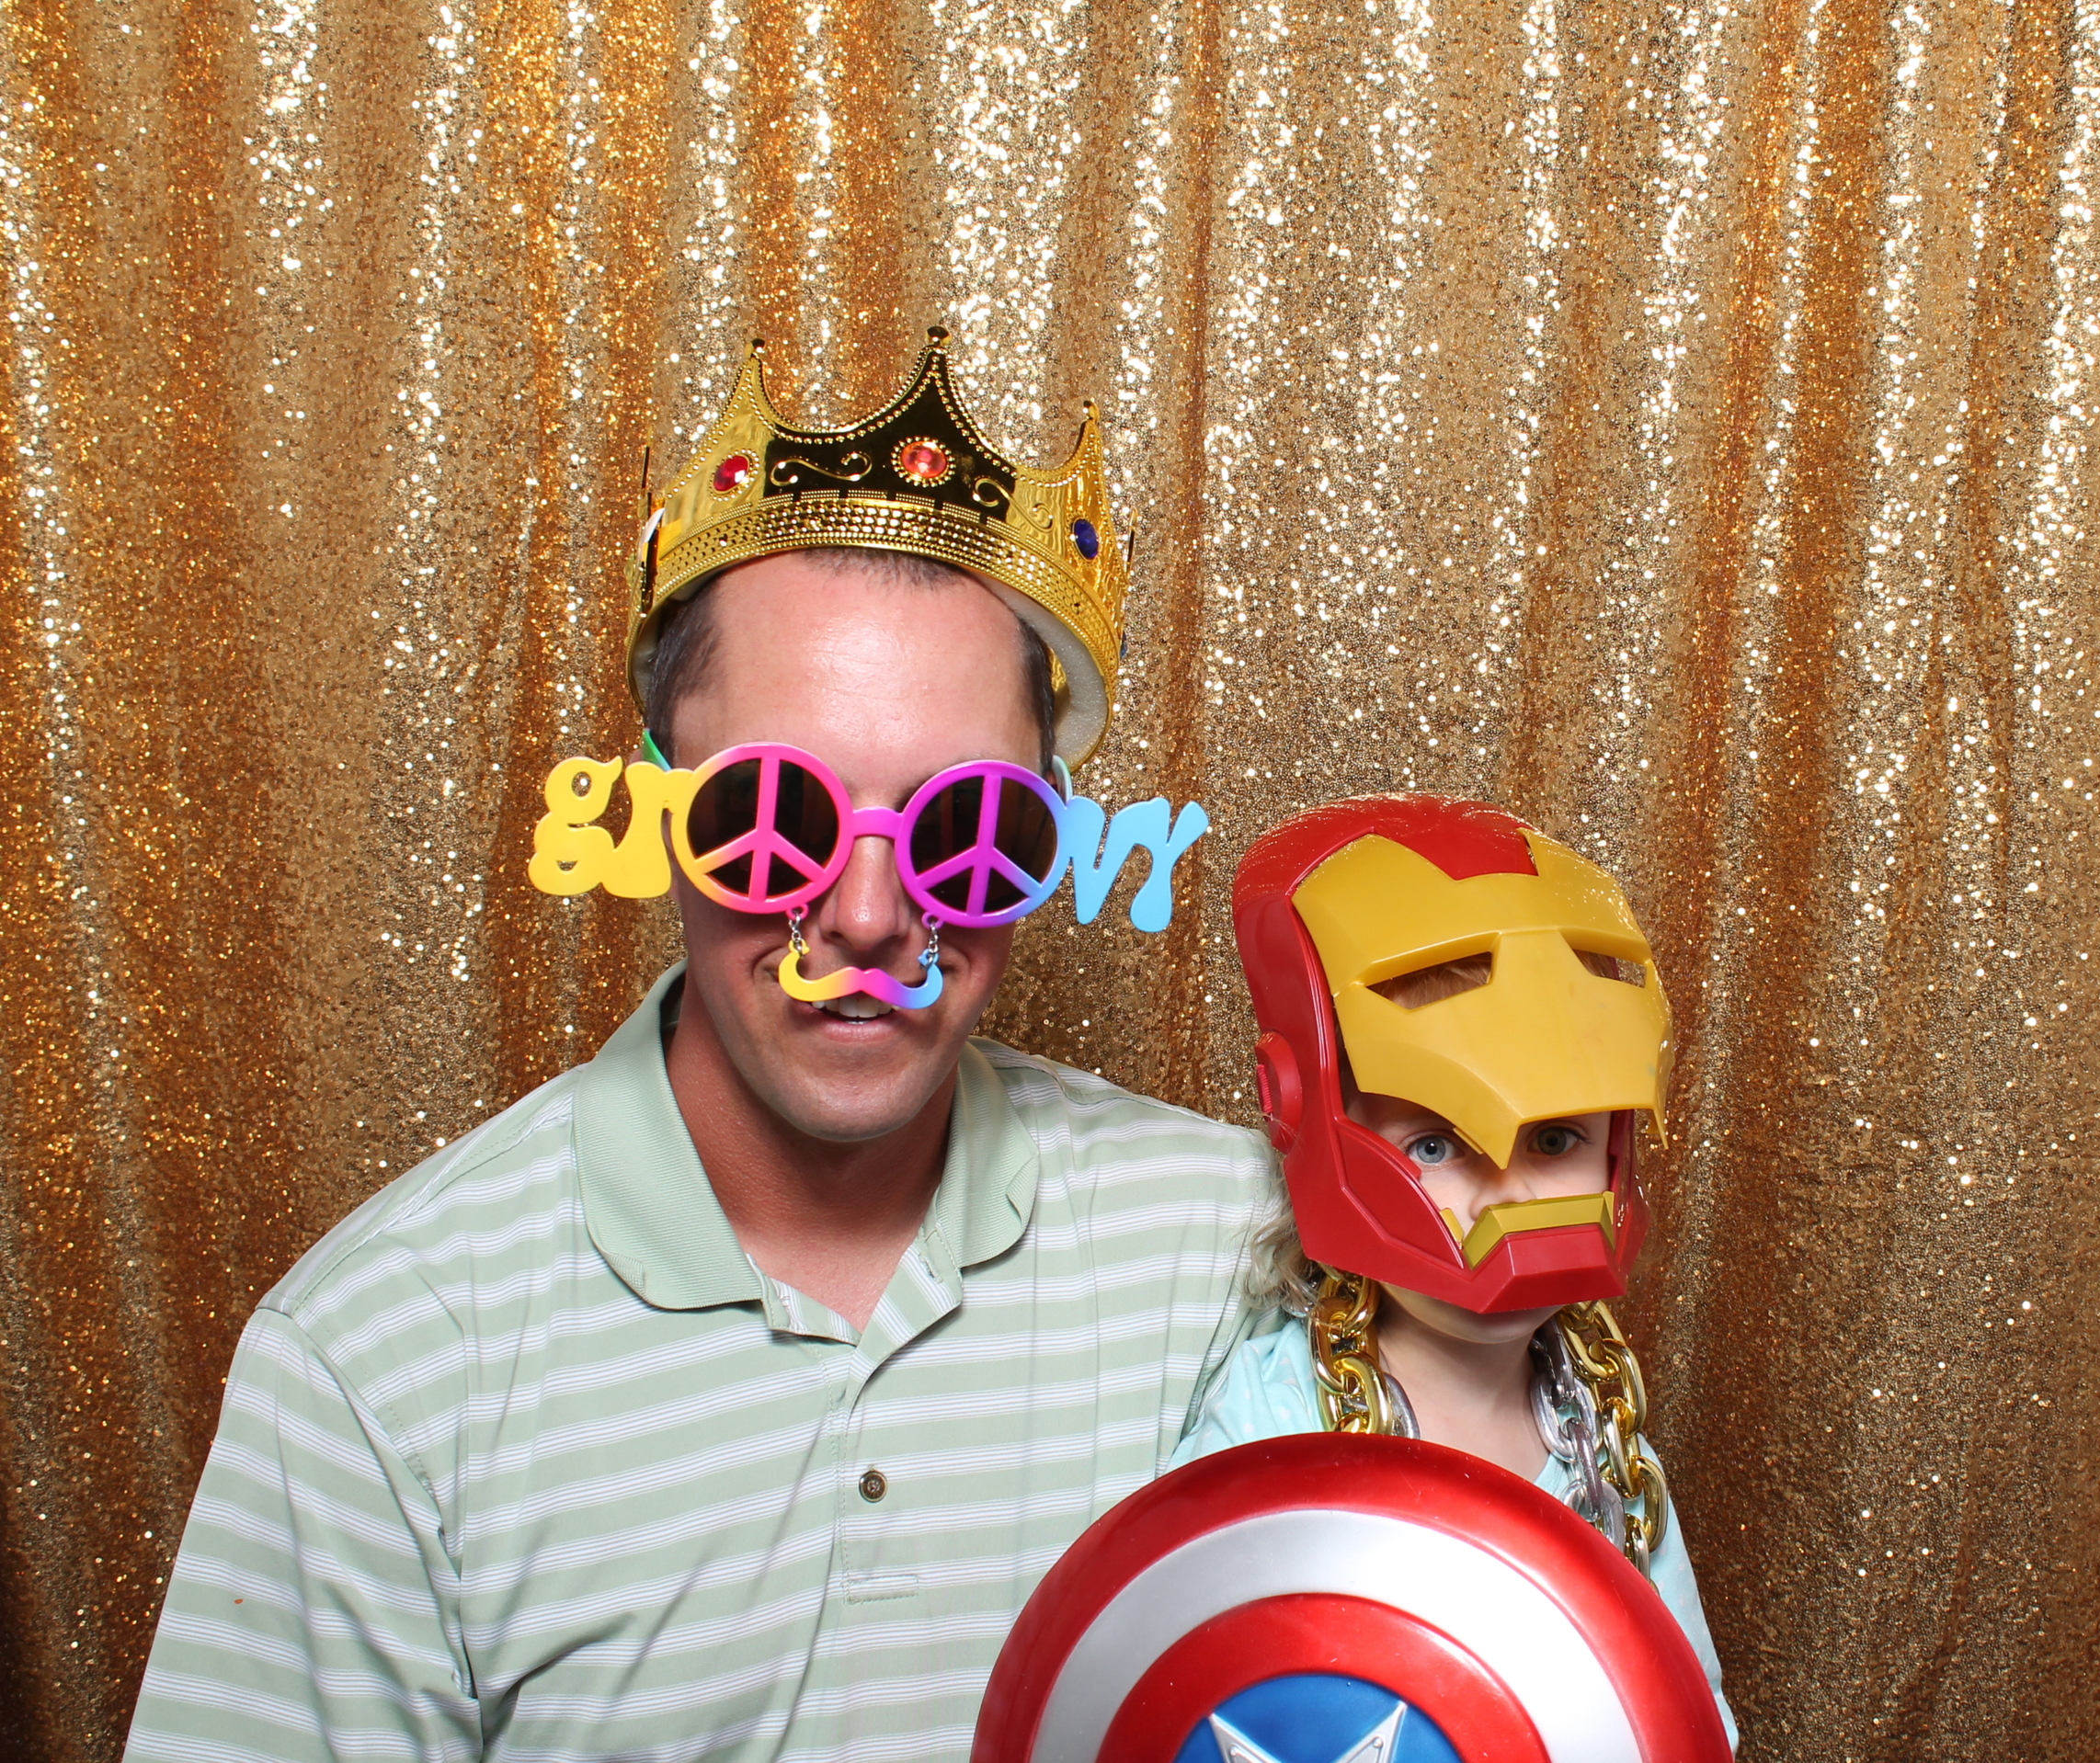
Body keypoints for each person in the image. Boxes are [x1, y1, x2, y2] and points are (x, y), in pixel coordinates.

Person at [122, 331, 1276, 1760]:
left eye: (970, 826)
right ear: (654, 811)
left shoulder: (1233, 1248)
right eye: (773, 815)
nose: (869, 915)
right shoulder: (379, 1359)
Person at [1177, 791, 1738, 1746]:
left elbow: (1688, 1712)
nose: (1505, 1198)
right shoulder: (1273, 1416)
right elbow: (1179, 1683)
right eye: (1435, 1145)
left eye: (1553, 1138)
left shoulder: (1600, 1433)